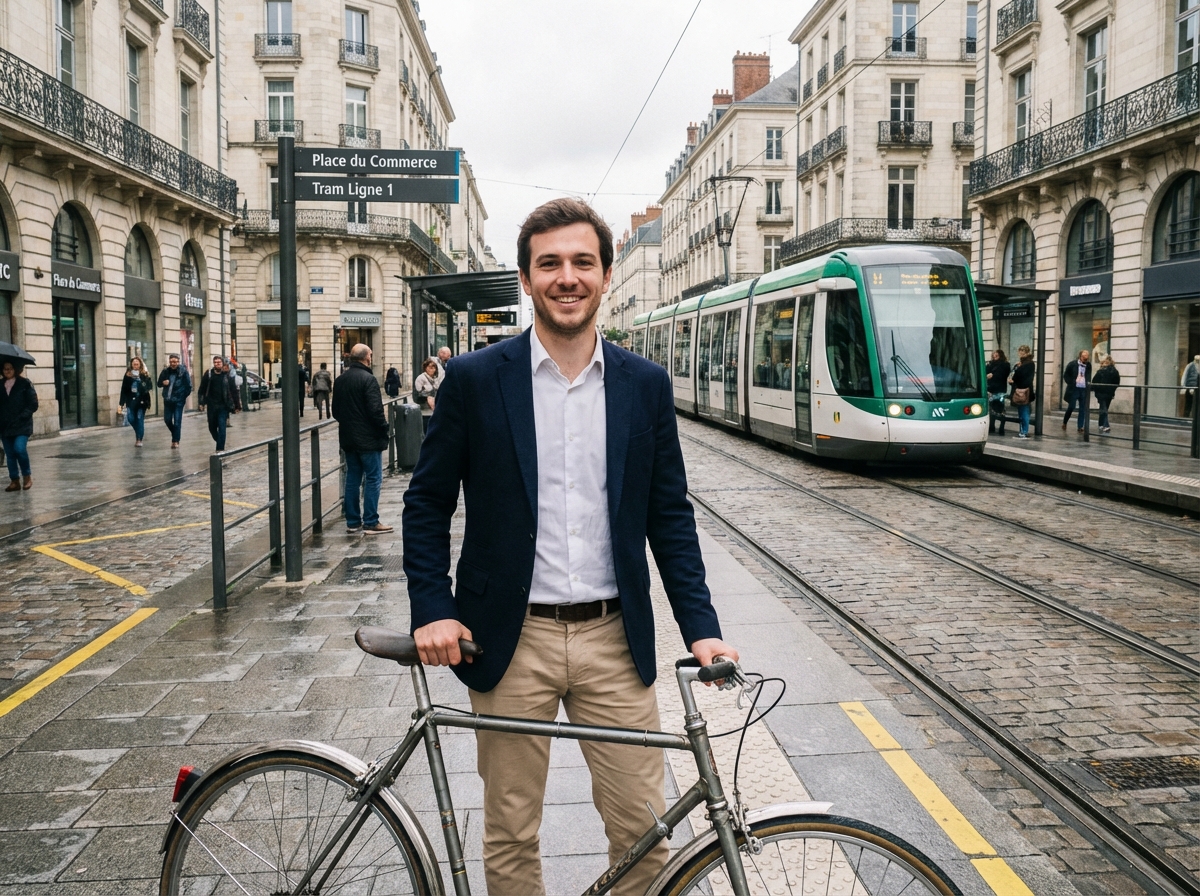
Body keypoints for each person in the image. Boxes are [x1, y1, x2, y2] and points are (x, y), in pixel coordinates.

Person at [403, 198, 738, 896]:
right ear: (526, 279)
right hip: (508, 638)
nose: (567, 277)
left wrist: (702, 630)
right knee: (511, 834)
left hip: (614, 639)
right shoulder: (474, 380)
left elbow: (668, 516)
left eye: (582, 262)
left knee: (645, 834)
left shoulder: (644, 386)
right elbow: (426, 503)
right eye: (549, 263)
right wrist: (433, 607)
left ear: (606, 275)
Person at [332, 343, 391, 534]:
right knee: (373, 478)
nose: (371, 357)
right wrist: (384, 429)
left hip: (349, 439)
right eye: (371, 354)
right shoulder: (368, 379)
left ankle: (353, 522)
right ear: (366, 357)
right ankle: (371, 521)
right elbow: (376, 411)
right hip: (368, 440)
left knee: (352, 479)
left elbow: (335, 411)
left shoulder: (340, 380)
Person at [0, 361, 37, 491]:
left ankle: (27, 476)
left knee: (19, 449)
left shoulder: (25, 384)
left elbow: (33, 404)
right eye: (5, 369)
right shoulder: (0, 385)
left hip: (22, 425)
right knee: (10, 454)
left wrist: (23, 416)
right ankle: (14, 481)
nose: (7, 371)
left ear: (15, 369)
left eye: (10, 368)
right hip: (5, 426)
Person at [198, 355, 241, 451]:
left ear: (222, 363)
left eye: (219, 362)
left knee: (222, 427)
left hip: (223, 405)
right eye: (215, 362)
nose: (217, 364)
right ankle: (219, 441)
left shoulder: (227, 375)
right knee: (212, 427)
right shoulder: (208, 374)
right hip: (211, 405)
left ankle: (220, 449)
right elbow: (202, 389)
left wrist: (237, 405)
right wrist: (201, 402)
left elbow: (234, 390)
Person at [157, 353, 192, 448]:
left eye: (175, 361)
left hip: (178, 401)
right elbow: (158, 383)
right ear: (169, 362)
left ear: (178, 362)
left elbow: (188, 386)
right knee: (167, 420)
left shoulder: (183, 371)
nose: (173, 363)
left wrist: (183, 396)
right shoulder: (165, 371)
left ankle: (175, 441)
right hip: (168, 400)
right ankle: (175, 433)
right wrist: (163, 383)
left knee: (177, 421)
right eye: (172, 361)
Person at [118, 357, 152, 447]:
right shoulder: (128, 375)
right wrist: (121, 403)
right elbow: (124, 389)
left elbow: (149, 387)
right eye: (134, 363)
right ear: (131, 364)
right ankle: (139, 431)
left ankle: (139, 439)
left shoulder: (144, 374)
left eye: (137, 363)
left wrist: (140, 381)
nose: (135, 364)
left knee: (140, 419)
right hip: (131, 401)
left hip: (142, 401)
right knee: (131, 418)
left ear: (140, 364)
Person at [1061, 349, 1092, 432]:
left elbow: (1088, 375)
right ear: (1080, 356)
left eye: (1087, 357)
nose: (1085, 359)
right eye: (1083, 357)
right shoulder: (1072, 364)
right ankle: (1065, 422)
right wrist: (1072, 382)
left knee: (1083, 408)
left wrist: (1088, 383)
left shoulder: (1088, 365)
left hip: (1083, 389)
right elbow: (1066, 375)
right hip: (1074, 389)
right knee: (1071, 406)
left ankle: (1080, 426)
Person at [1010, 345, 1036, 439]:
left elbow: (1017, 375)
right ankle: (1023, 431)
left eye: (1022, 352)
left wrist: (1017, 369)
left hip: (1023, 390)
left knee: (1024, 411)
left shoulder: (1028, 364)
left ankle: (1024, 431)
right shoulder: (1024, 363)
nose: (1020, 353)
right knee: (1023, 410)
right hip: (1023, 389)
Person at [985, 349, 1011, 436]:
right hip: (990, 389)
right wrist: (987, 376)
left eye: (997, 355)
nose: (994, 357)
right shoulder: (989, 364)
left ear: (1000, 355)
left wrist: (993, 376)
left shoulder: (1005, 365)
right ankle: (991, 426)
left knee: (1000, 409)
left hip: (1000, 390)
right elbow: (984, 372)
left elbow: (1004, 375)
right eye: (994, 355)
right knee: (990, 409)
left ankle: (1001, 428)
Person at [1092, 356, 1120, 433]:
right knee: (1105, 408)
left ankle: (1104, 425)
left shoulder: (1100, 371)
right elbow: (1117, 383)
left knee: (1103, 409)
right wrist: (1112, 390)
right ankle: (1102, 424)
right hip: (1109, 393)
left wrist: (1095, 389)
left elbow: (1094, 381)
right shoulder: (1115, 372)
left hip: (1101, 393)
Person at [412, 357, 439, 433]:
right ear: (425, 368)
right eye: (430, 367)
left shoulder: (434, 379)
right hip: (425, 411)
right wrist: (427, 397)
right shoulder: (421, 378)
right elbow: (418, 394)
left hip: (434, 410)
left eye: (434, 368)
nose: (432, 370)